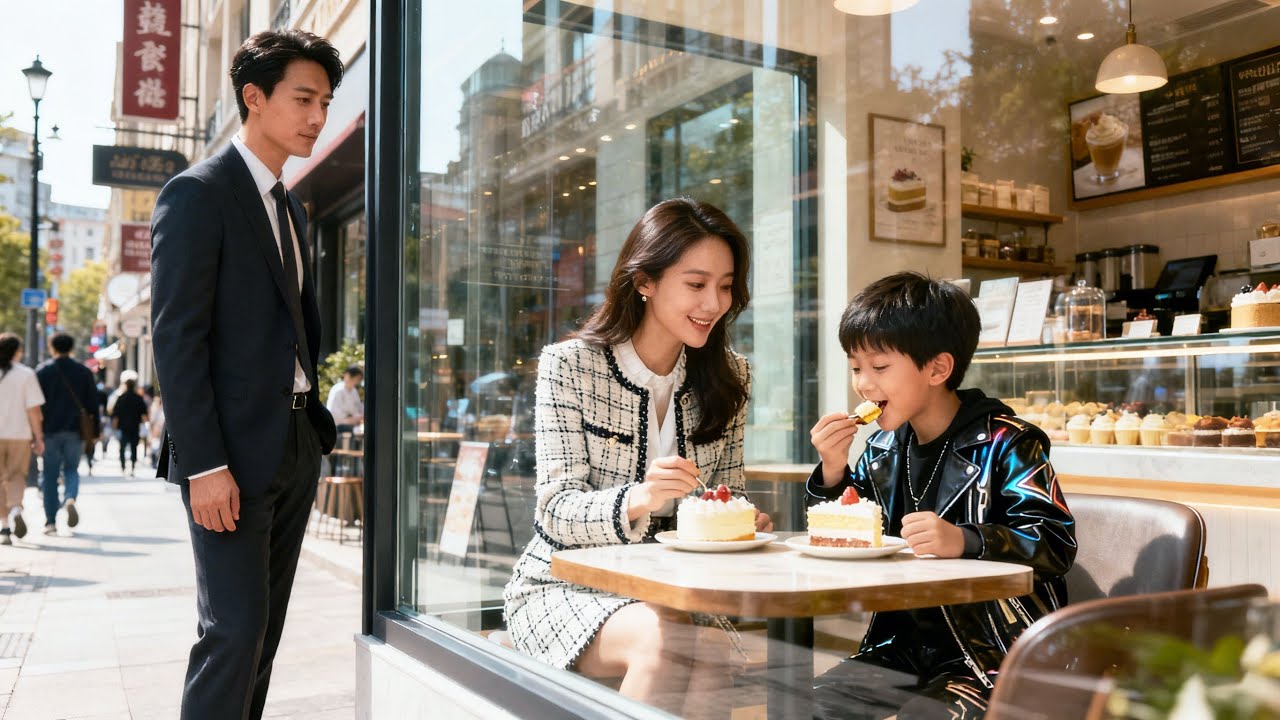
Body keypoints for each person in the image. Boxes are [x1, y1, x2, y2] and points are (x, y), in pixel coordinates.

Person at [503, 198, 769, 718]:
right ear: (645, 281)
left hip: (680, 597)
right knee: (668, 643)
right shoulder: (571, 365)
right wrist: (640, 497)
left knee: (711, 656)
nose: (714, 302)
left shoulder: (731, 376)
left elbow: (731, 489)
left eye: (725, 285)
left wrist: (738, 518)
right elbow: (554, 510)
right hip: (564, 586)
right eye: (696, 284)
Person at [150, 29, 341, 720]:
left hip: (292, 443)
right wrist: (203, 464)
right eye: (303, 98)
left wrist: (312, 432)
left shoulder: (288, 204)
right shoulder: (198, 193)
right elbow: (176, 337)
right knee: (231, 632)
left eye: (325, 100)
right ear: (253, 98)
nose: (318, 116)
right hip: (227, 457)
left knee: (262, 636)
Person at [806, 272, 1077, 719]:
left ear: (937, 368)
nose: (863, 384)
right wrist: (833, 472)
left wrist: (967, 541)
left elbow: (1054, 542)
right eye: (856, 367)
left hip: (996, 656)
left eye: (879, 367)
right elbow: (847, 538)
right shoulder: (881, 450)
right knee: (811, 705)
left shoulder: (1007, 442)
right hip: (901, 650)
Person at [35, 333, 98, 535]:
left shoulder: (43, 371)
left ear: (52, 347)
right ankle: (70, 496)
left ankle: (50, 522)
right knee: (71, 469)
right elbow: (93, 406)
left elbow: (35, 405)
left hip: (49, 430)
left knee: (50, 475)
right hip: (75, 430)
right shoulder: (83, 372)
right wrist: (94, 433)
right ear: (71, 348)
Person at [0, 333, 43, 544]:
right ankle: (16, 508)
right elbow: (34, 410)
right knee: (16, 475)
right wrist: (38, 437)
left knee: (0, 479)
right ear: (17, 352)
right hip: (19, 434)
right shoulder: (25, 374)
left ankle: (4, 526)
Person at [111, 375, 149, 477]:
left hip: (123, 427)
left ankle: (123, 466)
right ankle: (132, 466)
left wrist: (114, 426)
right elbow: (144, 413)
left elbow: (115, 413)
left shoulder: (121, 398)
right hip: (135, 426)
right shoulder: (138, 398)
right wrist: (146, 424)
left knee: (122, 447)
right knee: (134, 447)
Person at [325, 365, 363, 434]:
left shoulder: (354, 391)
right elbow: (333, 413)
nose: (358, 381)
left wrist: (358, 417)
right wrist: (350, 419)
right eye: (358, 378)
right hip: (338, 425)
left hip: (353, 423)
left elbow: (358, 408)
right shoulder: (337, 390)